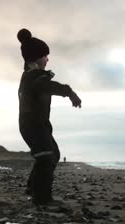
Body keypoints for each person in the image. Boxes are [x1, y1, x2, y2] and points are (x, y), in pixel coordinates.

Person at [17, 28, 82, 205]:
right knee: (46, 158)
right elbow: (49, 86)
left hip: (36, 124)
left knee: (51, 154)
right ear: (36, 58)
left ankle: (33, 189)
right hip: (34, 125)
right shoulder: (35, 77)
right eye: (45, 55)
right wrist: (69, 92)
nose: (47, 59)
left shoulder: (29, 76)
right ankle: (42, 198)